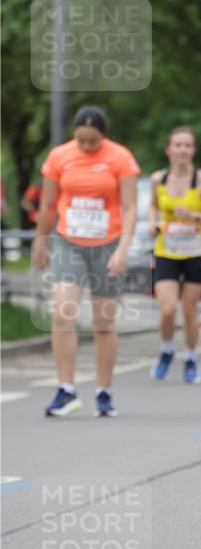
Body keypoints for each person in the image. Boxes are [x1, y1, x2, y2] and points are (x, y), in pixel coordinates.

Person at [31, 106, 139, 417]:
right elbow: (49, 203)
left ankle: (104, 392)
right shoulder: (59, 157)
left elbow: (130, 208)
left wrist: (123, 248)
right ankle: (66, 390)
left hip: (108, 244)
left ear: (103, 136)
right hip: (69, 242)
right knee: (63, 314)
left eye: (93, 141)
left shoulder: (121, 158)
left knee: (103, 323)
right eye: (81, 140)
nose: (87, 146)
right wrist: (41, 241)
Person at [149, 127, 201, 384]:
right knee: (167, 308)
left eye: (188, 146)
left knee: (189, 310)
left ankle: (190, 356)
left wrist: (195, 217)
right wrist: (152, 222)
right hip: (166, 250)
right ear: (168, 149)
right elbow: (153, 207)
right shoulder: (159, 179)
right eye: (178, 145)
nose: (182, 150)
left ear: (193, 150)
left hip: (195, 251)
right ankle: (167, 348)